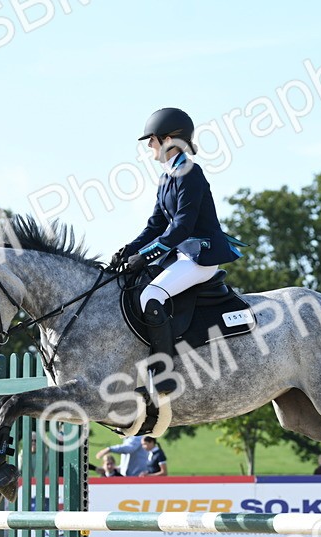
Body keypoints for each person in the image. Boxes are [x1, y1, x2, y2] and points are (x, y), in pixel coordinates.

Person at [109, 107, 243, 394]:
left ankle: (164, 373)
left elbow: (181, 227)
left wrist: (145, 256)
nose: (149, 146)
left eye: (152, 140)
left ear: (169, 139)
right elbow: (156, 225)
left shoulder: (190, 173)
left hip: (201, 257)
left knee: (152, 294)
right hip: (182, 255)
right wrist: (129, 249)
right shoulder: (167, 177)